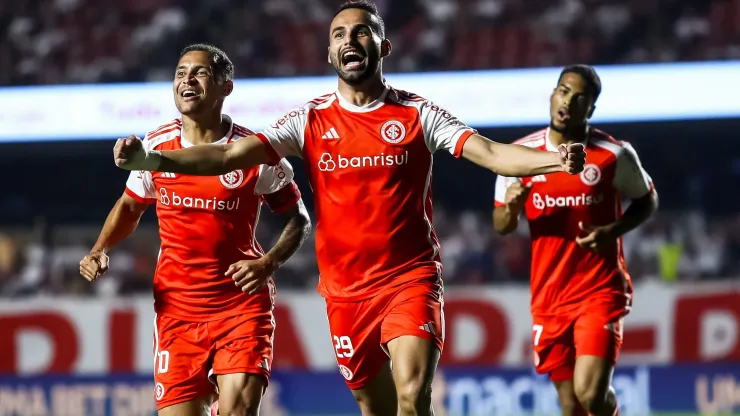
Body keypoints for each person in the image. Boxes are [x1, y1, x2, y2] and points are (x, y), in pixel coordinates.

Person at [110, 2, 586, 415]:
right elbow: (227, 155)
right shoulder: (309, 119)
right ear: (330, 53)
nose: (350, 40)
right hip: (345, 293)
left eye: (362, 31)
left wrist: (554, 160)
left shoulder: (416, 114)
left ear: (384, 47)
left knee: (414, 394)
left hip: (409, 277)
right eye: (339, 34)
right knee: (374, 407)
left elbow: (491, 152)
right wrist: (153, 159)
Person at [80, 44, 311, 416]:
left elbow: (298, 219)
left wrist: (268, 263)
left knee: (239, 411)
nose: (186, 79)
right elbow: (129, 206)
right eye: (180, 72)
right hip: (177, 311)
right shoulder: (156, 145)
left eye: (199, 72)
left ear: (226, 87)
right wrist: (100, 248)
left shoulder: (253, 151)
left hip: (240, 304)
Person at [492, 64, 658, 416]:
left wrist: (612, 231)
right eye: (563, 90)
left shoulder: (613, 155)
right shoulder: (520, 156)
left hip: (599, 290)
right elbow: (502, 225)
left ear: (591, 108)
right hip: (550, 296)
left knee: (590, 393)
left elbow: (647, 199)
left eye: (579, 96)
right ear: (553, 95)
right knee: (570, 405)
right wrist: (512, 208)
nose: (568, 100)